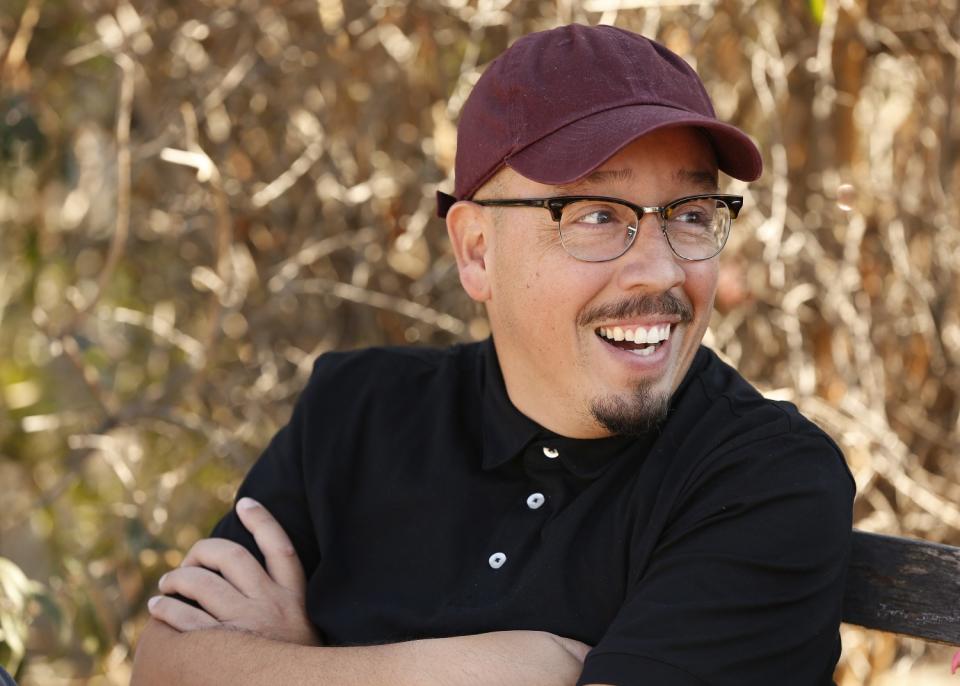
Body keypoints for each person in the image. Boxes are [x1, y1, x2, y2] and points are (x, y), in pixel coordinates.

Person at [132, 24, 855, 686]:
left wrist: (287, 667)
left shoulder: (764, 482)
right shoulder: (356, 412)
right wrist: (499, 669)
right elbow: (163, 665)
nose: (663, 272)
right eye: (598, 215)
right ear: (477, 250)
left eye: (691, 216)